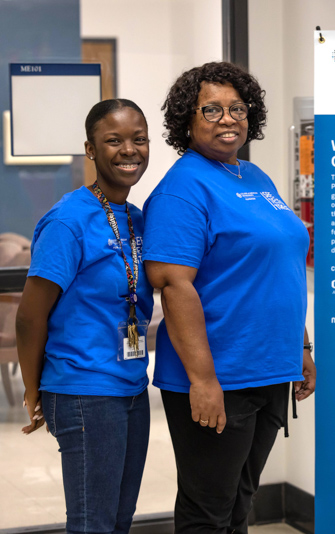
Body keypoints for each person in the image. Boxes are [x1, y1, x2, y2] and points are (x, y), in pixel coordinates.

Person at [143, 61, 316, 533]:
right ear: (187, 119)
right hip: (218, 374)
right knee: (208, 509)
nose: (228, 119)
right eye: (212, 109)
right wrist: (202, 381)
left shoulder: (254, 177)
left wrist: (300, 347)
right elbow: (174, 287)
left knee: (241, 501)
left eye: (237, 108)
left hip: (266, 368)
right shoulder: (183, 188)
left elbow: (277, 269)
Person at [16, 99, 153, 533]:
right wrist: (34, 389)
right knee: (94, 523)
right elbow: (30, 316)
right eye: (114, 140)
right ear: (91, 150)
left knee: (119, 520)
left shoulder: (136, 219)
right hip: (83, 391)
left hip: (131, 385)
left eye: (139, 139)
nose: (129, 150)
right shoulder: (68, 221)